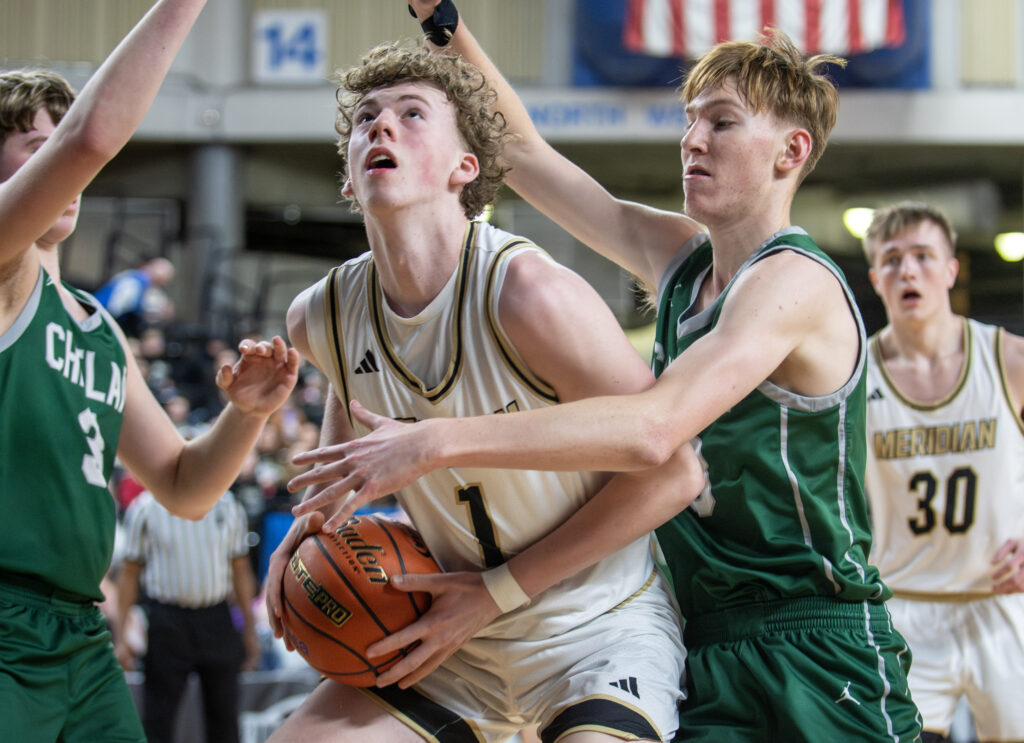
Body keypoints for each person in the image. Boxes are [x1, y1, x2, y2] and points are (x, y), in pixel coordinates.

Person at [283, 3, 925, 741]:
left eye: (719, 123)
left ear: (790, 151)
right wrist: (444, 22)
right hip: (707, 629)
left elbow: (655, 430)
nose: (691, 140)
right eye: (688, 121)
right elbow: (519, 154)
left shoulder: (794, 280)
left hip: (811, 631)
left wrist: (437, 439)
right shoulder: (682, 258)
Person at [263, 39, 704, 743]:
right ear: (349, 178)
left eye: (412, 115)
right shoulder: (321, 315)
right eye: (366, 119)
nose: (380, 127)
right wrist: (308, 529)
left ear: (465, 167)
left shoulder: (530, 294)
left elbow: (676, 470)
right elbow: (352, 420)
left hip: (594, 628)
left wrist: (495, 593)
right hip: (445, 635)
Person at [0, 2, 300, 741]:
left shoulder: (101, 331)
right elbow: (93, 137)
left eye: (55, 144)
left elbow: (185, 486)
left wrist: (248, 413)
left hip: (79, 634)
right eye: (33, 148)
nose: (62, 163)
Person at [861, 201, 1024, 743]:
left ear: (952, 270)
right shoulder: (853, 377)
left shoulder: (1009, 359)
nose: (908, 270)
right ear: (875, 278)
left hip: (1000, 600)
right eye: (892, 259)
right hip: (901, 605)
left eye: (924, 256)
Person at [115, 489, 260, 743]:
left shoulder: (228, 505)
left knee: (225, 721)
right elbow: (129, 574)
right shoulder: (145, 508)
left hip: (216, 616)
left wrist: (249, 630)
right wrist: (120, 636)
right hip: (166, 619)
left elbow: (241, 568)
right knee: (159, 720)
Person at [93, 255, 176, 336]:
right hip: (98, 320)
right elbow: (115, 308)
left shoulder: (138, 281)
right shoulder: (134, 282)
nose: (164, 284)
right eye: (165, 280)